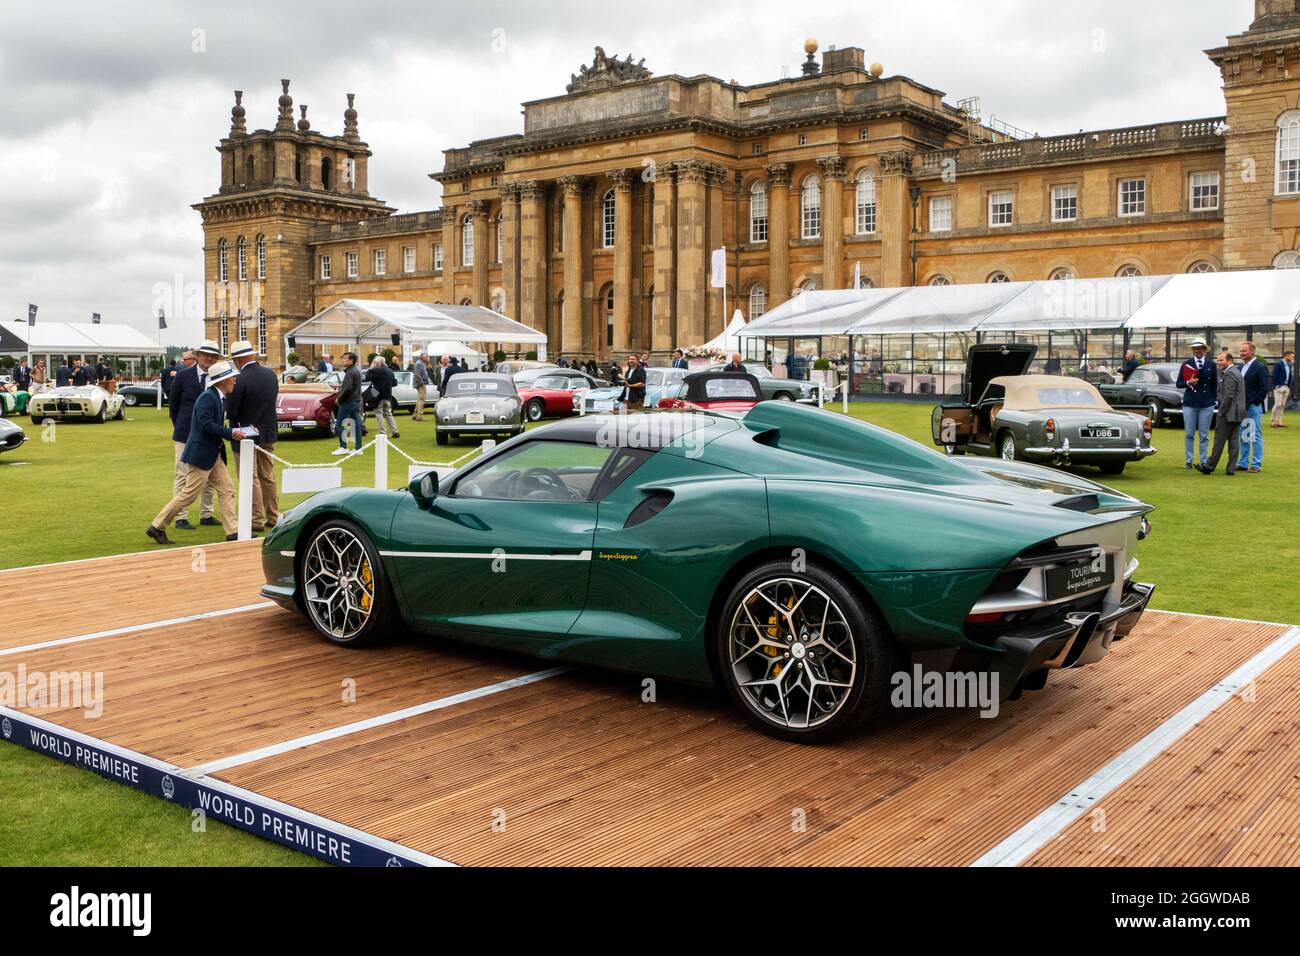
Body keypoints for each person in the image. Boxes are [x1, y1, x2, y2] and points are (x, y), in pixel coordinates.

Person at [146, 361, 246, 545]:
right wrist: (231, 433)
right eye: (232, 377)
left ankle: (233, 531)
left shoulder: (218, 397)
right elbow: (207, 426)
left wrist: (231, 432)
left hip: (212, 453)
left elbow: (212, 425)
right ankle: (157, 525)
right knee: (189, 494)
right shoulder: (208, 398)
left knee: (227, 489)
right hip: (201, 454)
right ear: (222, 381)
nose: (235, 380)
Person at [226, 340, 280, 531]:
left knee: (250, 477)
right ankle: (273, 515)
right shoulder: (271, 375)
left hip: (245, 434)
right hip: (268, 431)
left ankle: (256, 519)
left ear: (238, 359)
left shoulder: (238, 379)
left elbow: (231, 412)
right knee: (268, 475)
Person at [168, 341, 222, 529]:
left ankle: (206, 514)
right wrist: (182, 428)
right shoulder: (183, 376)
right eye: (206, 355)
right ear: (198, 356)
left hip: (209, 435)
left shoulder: (218, 377)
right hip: (184, 434)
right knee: (182, 475)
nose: (209, 359)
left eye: (213, 356)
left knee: (207, 476)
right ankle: (180, 517)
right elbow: (174, 406)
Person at [1199, 351, 1245, 476]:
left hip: (1228, 412)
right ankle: (1231, 469)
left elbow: (1228, 396)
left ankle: (1209, 466)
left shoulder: (1229, 373)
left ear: (1229, 361)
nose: (1218, 363)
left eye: (1221, 360)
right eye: (1218, 360)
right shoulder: (1236, 372)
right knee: (1234, 441)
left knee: (1219, 440)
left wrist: (1221, 411)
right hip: (1238, 413)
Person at [1177, 338, 1216, 470]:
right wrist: (1189, 383)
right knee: (1189, 433)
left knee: (1204, 434)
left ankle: (1203, 460)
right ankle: (1189, 460)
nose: (1197, 350)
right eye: (1195, 348)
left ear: (1204, 350)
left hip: (1206, 403)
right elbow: (1179, 383)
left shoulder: (1211, 364)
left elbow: (1214, 384)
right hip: (1190, 402)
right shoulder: (1186, 364)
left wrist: (1214, 400)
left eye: (1200, 348)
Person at [1237, 340, 1269, 473]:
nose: (1241, 353)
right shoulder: (1240, 368)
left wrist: (1253, 403)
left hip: (1253, 407)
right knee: (1244, 435)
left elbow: (1264, 388)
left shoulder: (1260, 367)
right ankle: (1243, 463)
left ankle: (1256, 464)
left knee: (1255, 435)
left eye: (1244, 351)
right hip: (1241, 407)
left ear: (1252, 351)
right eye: (1240, 351)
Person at [332, 352, 365, 456]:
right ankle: (358, 448)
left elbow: (349, 388)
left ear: (351, 360)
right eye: (343, 358)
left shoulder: (350, 372)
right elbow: (350, 386)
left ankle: (343, 447)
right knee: (356, 426)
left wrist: (339, 399)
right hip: (355, 401)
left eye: (345, 358)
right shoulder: (356, 370)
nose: (343, 360)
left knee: (338, 425)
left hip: (348, 402)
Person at [366, 356, 400, 440]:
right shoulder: (390, 370)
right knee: (388, 413)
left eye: (374, 362)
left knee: (379, 414)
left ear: (377, 363)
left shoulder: (377, 370)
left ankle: (383, 432)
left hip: (377, 395)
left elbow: (367, 377)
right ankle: (395, 431)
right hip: (388, 395)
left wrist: (371, 367)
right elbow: (395, 383)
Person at [1271, 350, 1293, 428]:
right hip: (1279, 386)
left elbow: (1290, 376)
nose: (1292, 358)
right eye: (1291, 356)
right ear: (1286, 356)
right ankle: (1273, 421)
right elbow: (1274, 375)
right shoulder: (1279, 364)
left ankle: (1279, 421)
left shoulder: (1289, 365)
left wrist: (1289, 387)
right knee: (1277, 404)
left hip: (1286, 386)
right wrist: (1276, 386)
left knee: (1282, 405)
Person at [412, 352, 431, 421]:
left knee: (419, 399)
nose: (428, 358)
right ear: (422, 357)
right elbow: (417, 374)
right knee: (422, 400)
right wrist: (422, 383)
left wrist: (428, 363)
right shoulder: (419, 363)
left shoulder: (421, 363)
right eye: (427, 357)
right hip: (420, 384)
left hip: (421, 383)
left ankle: (415, 414)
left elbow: (429, 368)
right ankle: (419, 416)